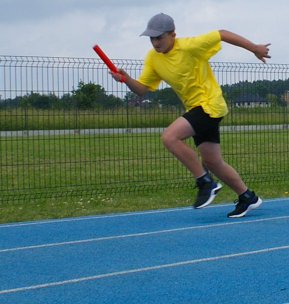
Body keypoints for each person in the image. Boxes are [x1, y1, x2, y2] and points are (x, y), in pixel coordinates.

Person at [110, 13, 270, 218]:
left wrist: (254, 48)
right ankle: (247, 197)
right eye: (152, 38)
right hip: (195, 108)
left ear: (173, 35)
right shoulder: (152, 58)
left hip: (210, 104)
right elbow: (141, 89)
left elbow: (221, 34)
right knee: (212, 162)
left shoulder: (189, 46)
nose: (155, 42)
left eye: (160, 37)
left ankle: (205, 182)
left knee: (170, 137)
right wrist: (125, 79)